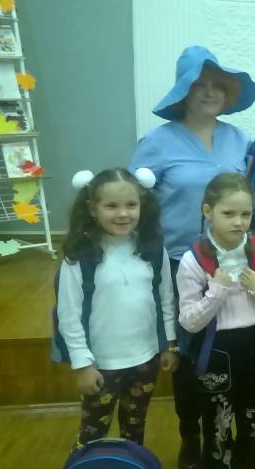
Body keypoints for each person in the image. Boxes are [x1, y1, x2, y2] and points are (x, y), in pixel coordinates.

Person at [129, 45, 255, 469]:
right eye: (199, 85)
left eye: (217, 85)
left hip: (233, 262)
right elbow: (134, 204)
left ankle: (226, 431)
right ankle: (191, 435)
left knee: (229, 348)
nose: (209, 92)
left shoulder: (240, 139)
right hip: (177, 264)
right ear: (183, 92)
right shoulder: (157, 142)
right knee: (187, 356)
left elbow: (253, 198)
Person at [177, 173, 255, 469]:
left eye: (246, 214)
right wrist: (218, 291)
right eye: (228, 214)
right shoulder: (193, 259)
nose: (239, 222)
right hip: (216, 350)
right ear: (208, 211)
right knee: (218, 422)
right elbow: (189, 321)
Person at [57, 167, 178, 448]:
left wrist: (169, 344)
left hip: (146, 359)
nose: (123, 214)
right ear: (92, 209)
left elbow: (166, 299)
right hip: (101, 364)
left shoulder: (152, 248)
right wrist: (83, 364)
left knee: (135, 427)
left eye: (131, 205)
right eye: (111, 206)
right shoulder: (80, 256)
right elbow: (69, 315)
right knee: (92, 431)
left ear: (142, 206)